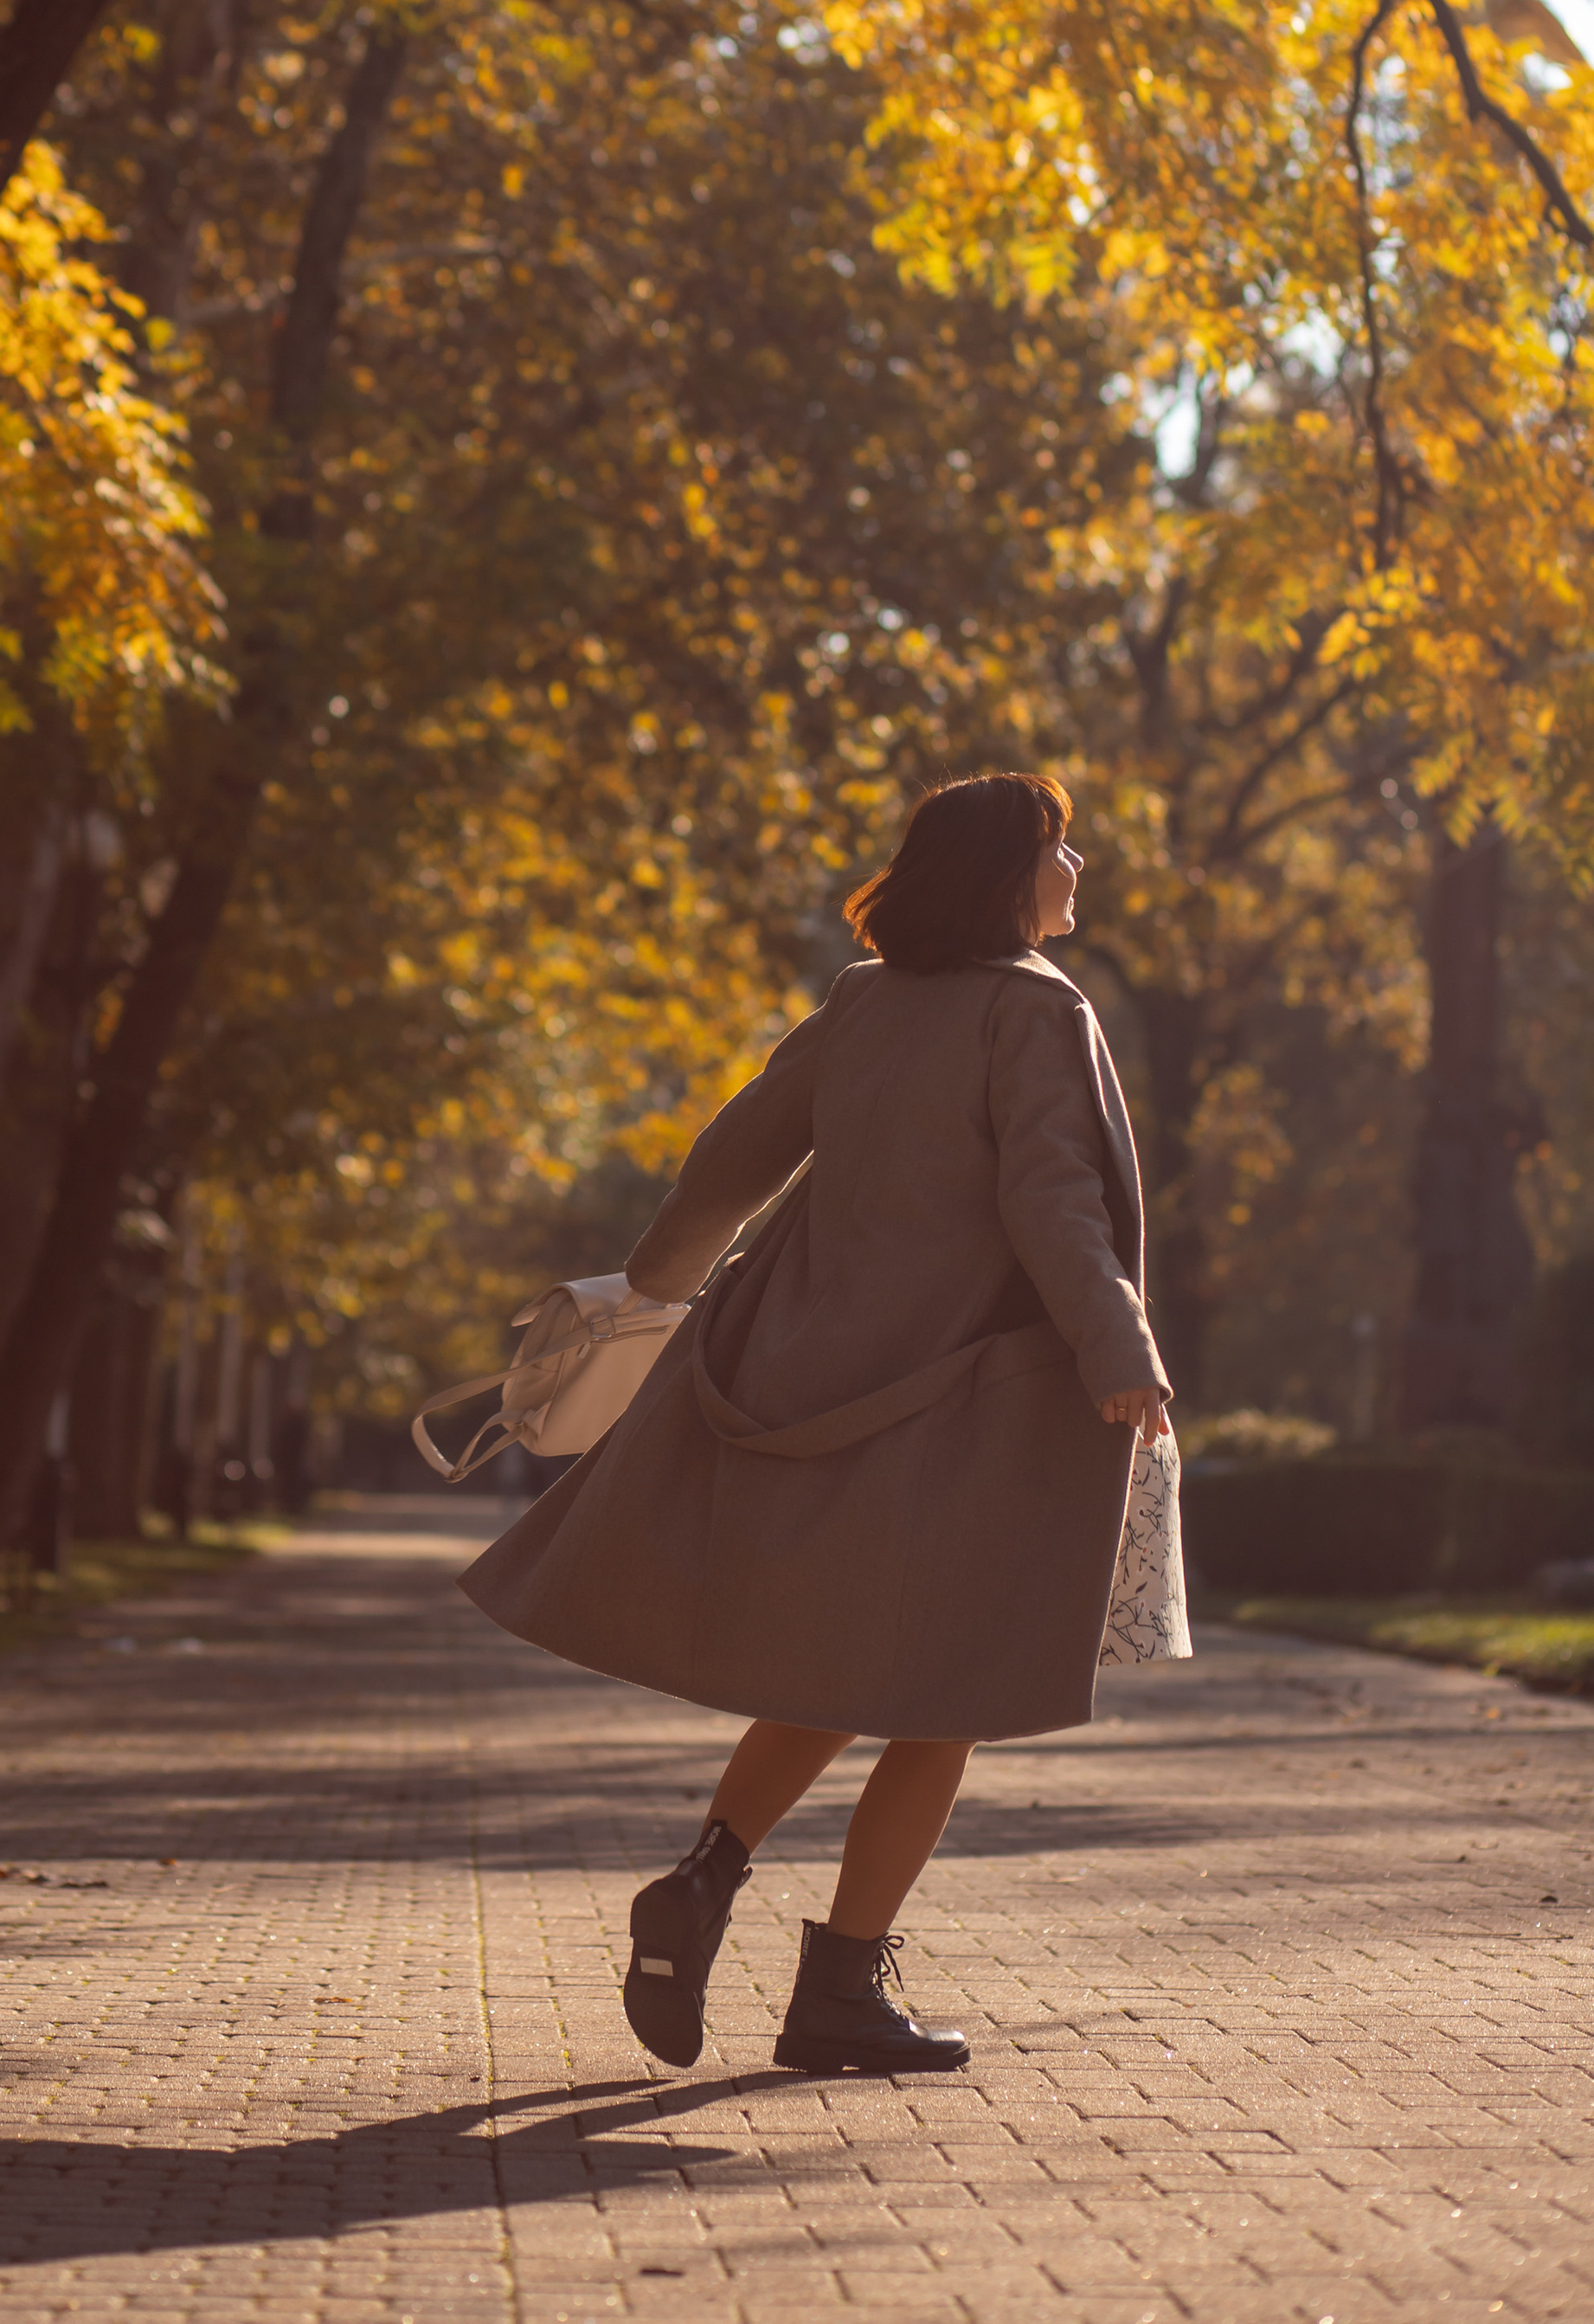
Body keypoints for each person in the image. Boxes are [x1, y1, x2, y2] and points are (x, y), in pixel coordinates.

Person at [461, 770, 1187, 2077]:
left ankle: (702, 1881)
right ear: (1005, 876)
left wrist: (651, 1291)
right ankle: (839, 1991)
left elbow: (732, 1156)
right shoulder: (1035, 1010)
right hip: (969, 1396)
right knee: (939, 1700)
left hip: (818, 1375)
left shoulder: (861, 1003)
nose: (1077, 865)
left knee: (846, 1666)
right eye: (1056, 845)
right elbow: (1052, 1196)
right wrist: (1117, 1344)